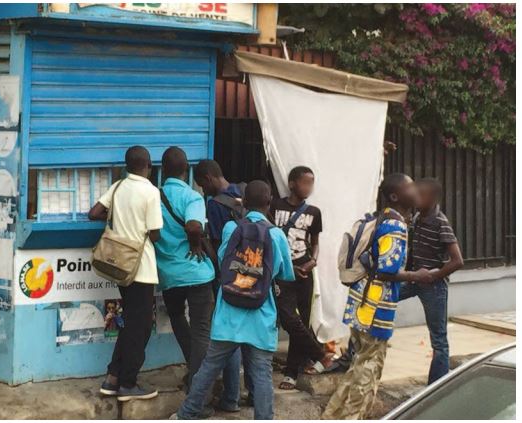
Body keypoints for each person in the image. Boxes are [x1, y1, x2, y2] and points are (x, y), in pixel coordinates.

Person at [175, 180, 295, 420]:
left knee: (208, 368)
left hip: (228, 314)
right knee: (261, 374)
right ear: (269, 203)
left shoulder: (232, 228)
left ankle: (186, 414)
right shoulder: (276, 234)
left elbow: (222, 262)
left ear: (244, 203)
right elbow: (285, 273)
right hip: (261, 315)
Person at [322, 173, 433, 420]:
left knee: (359, 364)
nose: (416, 190)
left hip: (361, 301)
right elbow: (386, 270)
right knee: (370, 368)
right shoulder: (395, 225)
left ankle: (332, 416)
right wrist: (418, 276)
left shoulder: (380, 218)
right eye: (410, 186)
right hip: (375, 305)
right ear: (395, 196)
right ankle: (352, 417)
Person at [88, 146, 163, 401]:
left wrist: (120, 221)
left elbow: (94, 213)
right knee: (139, 329)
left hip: (120, 267)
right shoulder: (151, 192)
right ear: (148, 165)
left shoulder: (118, 186)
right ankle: (128, 385)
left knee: (131, 324)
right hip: (141, 268)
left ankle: (112, 379)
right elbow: (155, 233)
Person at [155, 147, 216, 393]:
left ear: (163, 170)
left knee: (179, 318)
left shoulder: (154, 197)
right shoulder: (192, 197)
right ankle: (198, 386)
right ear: (185, 170)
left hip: (169, 274)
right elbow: (193, 226)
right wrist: (194, 241)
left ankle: (194, 373)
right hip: (197, 272)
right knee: (202, 329)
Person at [270, 166, 335, 390]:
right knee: (288, 320)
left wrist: (312, 261)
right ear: (291, 184)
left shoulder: (314, 212)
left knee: (303, 319)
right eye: (305, 183)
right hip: (282, 272)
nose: (308, 188)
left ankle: (292, 373)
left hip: (304, 272)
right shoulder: (275, 206)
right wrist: (284, 267)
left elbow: (314, 242)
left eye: (311, 183)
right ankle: (319, 355)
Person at [193, 159, 245, 411]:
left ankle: (231, 398)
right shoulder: (244, 193)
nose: (201, 189)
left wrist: (215, 273)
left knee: (227, 334)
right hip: (251, 275)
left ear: (209, 178)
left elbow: (215, 245)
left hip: (226, 276)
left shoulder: (214, 205)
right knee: (246, 333)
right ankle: (248, 394)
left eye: (201, 184)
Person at [401, 177, 463, 384]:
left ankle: (436, 387)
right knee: (379, 299)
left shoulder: (440, 222)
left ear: (433, 198)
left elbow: (458, 261)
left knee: (438, 339)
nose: (415, 197)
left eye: (420, 194)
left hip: (433, 287)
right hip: (412, 280)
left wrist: (433, 275)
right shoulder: (417, 216)